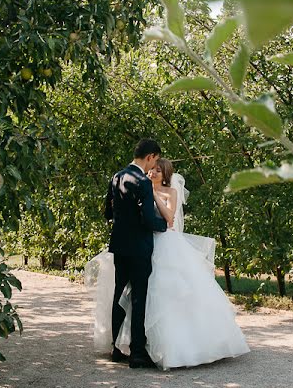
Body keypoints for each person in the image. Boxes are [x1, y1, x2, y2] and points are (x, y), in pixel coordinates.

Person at [88, 156, 250, 370]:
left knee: (165, 293)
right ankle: (128, 345)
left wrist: (153, 195)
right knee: (133, 295)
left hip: (165, 244)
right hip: (142, 244)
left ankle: (165, 346)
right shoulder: (138, 189)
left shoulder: (169, 192)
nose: (152, 173)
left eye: (157, 170)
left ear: (165, 174)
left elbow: (170, 219)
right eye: (151, 169)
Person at [101, 138, 170, 369]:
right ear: (150, 156)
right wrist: (163, 227)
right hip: (139, 247)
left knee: (119, 294)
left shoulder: (116, 177)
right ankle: (137, 353)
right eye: (156, 160)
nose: (154, 165)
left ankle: (115, 348)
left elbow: (108, 212)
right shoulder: (142, 181)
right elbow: (149, 219)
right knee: (139, 297)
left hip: (120, 245)